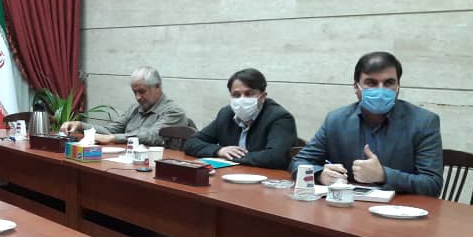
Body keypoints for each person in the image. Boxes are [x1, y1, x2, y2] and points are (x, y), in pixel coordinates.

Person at [290, 51, 442, 196]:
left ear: (398, 87)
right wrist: (319, 175)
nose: (381, 90)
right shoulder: (336, 120)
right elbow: (299, 162)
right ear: (356, 87)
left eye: (389, 83)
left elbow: (432, 184)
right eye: (371, 83)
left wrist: (383, 175)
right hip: (346, 206)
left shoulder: (424, 122)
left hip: (401, 209)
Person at [183, 68, 297, 169]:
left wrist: (233, 157)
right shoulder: (226, 114)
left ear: (262, 97)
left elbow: (275, 157)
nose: (242, 99)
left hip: (267, 180)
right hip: (229, 176)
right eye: (236, 95)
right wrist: (219, 150)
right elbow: (192, 143)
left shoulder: (280, 117)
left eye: (249, 94)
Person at [59, 66, 188, 145]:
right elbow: (110, 131)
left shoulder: (174, 112)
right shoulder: (134, 109)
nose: (138, 97)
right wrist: (80, 125)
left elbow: (153, 136)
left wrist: (113, 138)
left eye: (142, 91)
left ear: (157, 87)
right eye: (134, 92)